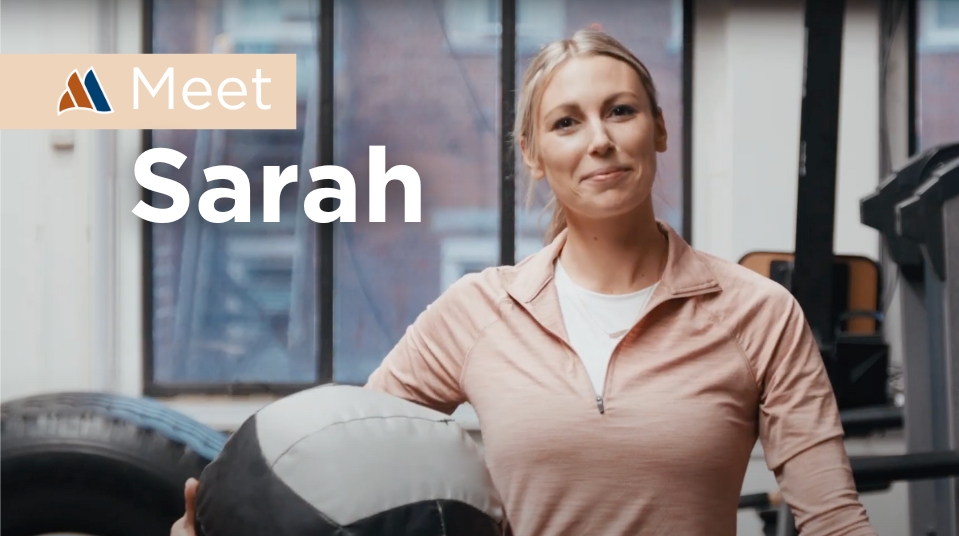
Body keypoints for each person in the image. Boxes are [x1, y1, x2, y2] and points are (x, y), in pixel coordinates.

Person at [172, 28, 877, 535]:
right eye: (566, 123)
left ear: (658, 130)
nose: (598, 139)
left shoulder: (756, 313)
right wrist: (228, 518)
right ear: (533, 156)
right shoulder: (480, 310)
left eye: (620, 111)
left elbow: (830, 518)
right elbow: (346, 455)